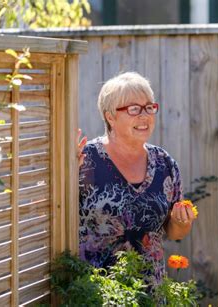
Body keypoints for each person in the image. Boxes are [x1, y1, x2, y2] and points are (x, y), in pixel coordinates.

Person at [77, 72, 195, 286]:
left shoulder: (164, 163)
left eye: (149, 107)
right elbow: (49, 210)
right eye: (134, 109)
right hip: (96, 293)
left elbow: (175, 233)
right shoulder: (85, 160)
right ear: (110, 116)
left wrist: (181, 222)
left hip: (150, 293)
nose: (145, 116)